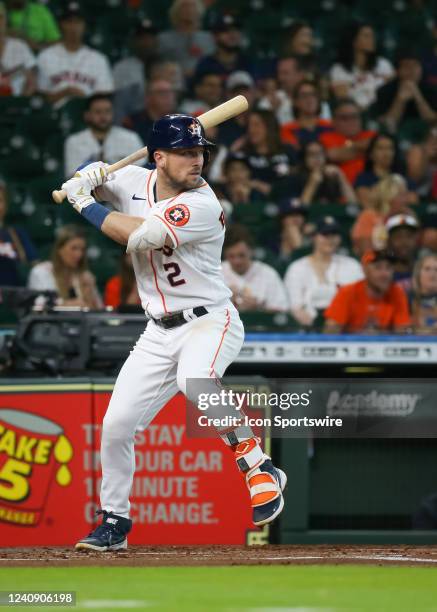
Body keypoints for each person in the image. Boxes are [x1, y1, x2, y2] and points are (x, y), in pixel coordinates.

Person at [60, 114, 287, 549]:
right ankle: (115, 523)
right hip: (157, 330)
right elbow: (90, 179)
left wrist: (84, 203)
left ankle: (258, 467)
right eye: (185, 152)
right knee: (117, 425)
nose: (196, 160)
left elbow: (139, 237)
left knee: (195, 380)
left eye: (200, 152)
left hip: (208, 319)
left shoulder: (202, 203)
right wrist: (87, 174)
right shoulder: (129, 179)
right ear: (158, 157)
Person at [284, 216, 363, 327]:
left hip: (346, 327)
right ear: (314, 238)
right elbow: (295, 305)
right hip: (308, 328)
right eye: (325, 235)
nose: (330, 239)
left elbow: (361, 300)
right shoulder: (297, 267)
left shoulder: (352, 265)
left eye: (334, 235)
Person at [37, 2, 113, 107]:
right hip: (54, 116)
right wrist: (66, 92)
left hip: (88, 116)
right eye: (69, 22)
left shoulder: (98, 59)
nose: (73, 27)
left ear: (85, 25)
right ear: (61, 25)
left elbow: (104, 96)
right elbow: (40, 97)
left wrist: (84, 99)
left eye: (78, 22)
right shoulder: (45, 56)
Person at [324, 249, 411, 333]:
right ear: (364, 270)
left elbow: (402, 335)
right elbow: (330, 335)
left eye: (389, 268)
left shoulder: (397, 293)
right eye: (378, 267)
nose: (385, 273)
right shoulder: (348, 292)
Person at [64, 94, 144, 178]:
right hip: (88, 189)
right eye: (98, 112)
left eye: (107, 111)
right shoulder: (74, 141)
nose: (103, 116)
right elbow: (72, 176)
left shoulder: (131, 138)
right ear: (87, 115)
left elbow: (141, 171)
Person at [27, 224, 102, 309]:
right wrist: (71, 304)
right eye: (74, 248)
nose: (79, 254)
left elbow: (99, 310)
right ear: (60, 249)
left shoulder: (86, 276)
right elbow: (41, 305)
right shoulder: (41, 272)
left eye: (82, 249)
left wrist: (89, 297)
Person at [222, 225, 289, 312]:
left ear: (251, 252)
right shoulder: (216, 273)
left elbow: (282, 311)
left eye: (241, 255)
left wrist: (258, 308)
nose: (236, 261)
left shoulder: (268, 274)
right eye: (231, 256)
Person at [329, 22, 394, 111]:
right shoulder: (339, 69)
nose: (372, 39)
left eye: (372, 36)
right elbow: (342, 99)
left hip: (382, 111)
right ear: (354, 40)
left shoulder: (383, 64)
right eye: (366, 36)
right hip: (355, 115)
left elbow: (392, 90)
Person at [232, 109, 296, 196]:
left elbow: (298, 177)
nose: (251, 130)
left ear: (270, 127)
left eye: (256, 125)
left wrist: (272, 189)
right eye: (249, 126)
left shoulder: (287, 151)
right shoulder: (245, 155)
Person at [375, 49, 437, 134]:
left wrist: (418, 96)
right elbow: (386, 124)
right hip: (394, 135)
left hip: (427, 135)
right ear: (397, 71)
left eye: (416, 65)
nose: (412, 70)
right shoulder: (384, 91)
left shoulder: (430, 89)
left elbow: (433, 121)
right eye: (407, 66)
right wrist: (400, 100)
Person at [258, 56, 331, 126]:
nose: (281, 78)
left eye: (285, 73)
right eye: (279, 73)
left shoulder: (318, 102)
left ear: (300, 74)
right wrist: (273, 111)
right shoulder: (269, 101)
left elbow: (327, 131)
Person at [351, 174, 412, 257]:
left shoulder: (407, 215)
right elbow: (365, 250)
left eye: (405, 195)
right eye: (401, 195)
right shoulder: (368, 216)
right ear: (389, 197)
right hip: (375, 262)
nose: (406, 199)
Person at [112, 18, 159, 123]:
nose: (147, 42)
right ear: (134, 41)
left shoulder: (165, 65)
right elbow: (119, 102)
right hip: (132, 117)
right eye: (142, 38)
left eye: (150, 37)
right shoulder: (121, 68)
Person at [319, 98, 376, 185]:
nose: (350, 121)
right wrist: (364, 150)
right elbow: (332, 155)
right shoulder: (327, 137)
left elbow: (377, 150)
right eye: (344, 118)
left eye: (354, 117)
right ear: (333, 121)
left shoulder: (371, 135)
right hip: (341, 190)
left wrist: (347, 149)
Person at [282, 141, 357, 205]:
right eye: (311, 154)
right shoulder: (295, 177)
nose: (317, 158)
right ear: (304, 158)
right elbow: (301, 208)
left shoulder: (330, 175)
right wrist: (313, 183)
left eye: (320, 153)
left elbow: (354, 204)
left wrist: (341, 176)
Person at [354, 133, 414, 209]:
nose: (386, 153)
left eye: (390, 148)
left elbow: (413, 200)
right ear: (371, 154)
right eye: (380, 148)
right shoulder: (363, 178)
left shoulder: (403, 178)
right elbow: (367, 203)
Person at [158, 0, 214, 78]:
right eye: (184, 7)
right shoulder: (164, 39)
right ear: (176, 12)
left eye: (192, 7)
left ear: (199, 11)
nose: (189, 10)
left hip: (203, 80)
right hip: (174, 79)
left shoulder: (209, 38)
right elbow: (160, 64)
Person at [0, 179, 38, 286]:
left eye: (0, 200)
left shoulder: (17, 233)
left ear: (6, 205)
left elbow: (36, 266)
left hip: (15, 295)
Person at [194, 14, 251, 82]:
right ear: (215, 37)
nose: (232, 34)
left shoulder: (248, 63)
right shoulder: (205, 65)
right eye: (226, 31)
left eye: (236, 30)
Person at [280, 80, 333, 149]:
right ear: (295, 101)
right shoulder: (287, 129)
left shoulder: (330, 126)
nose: (310, 99)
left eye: (313, 95)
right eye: (304, 96)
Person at [123, 79, 177, 145]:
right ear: (148, 97)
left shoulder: (184, 120)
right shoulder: (132, 122)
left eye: (171, 92)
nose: (168, 96)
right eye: (161, 92)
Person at [0, 1, 35, 96]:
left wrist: (21, 102)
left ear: (6, 21)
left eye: (1, 18)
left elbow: (31, 82)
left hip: (16, 105)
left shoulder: (20, 46)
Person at [386, 213, 420, 291]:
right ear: (389, 241)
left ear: (416, 240)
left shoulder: (426, 269)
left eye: (409, 236)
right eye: (398, 237)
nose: (404, 242)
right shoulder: (382, 273)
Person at [406, 126, 437, 200]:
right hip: (416, 194)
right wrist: (426, 156)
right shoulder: (417, 150)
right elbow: (414, 179)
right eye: (433, 139)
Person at [409, 254, 437, 333]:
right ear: (418, 274)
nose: (432, 274)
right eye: (427, 269)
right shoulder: (406, 299)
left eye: (436, 270)